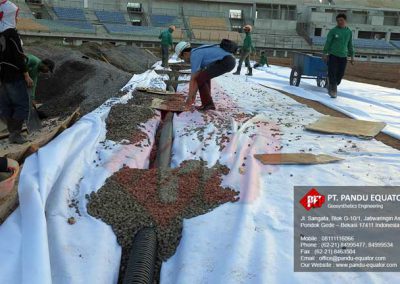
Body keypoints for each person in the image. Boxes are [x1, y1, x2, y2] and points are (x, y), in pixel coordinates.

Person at [0, 0, 33, 144]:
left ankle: (12, 132)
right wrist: (26, 75)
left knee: (6, 104)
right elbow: (18, 56)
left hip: (2, 76)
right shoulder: (11, 33)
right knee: (21, 104)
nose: (17, 18)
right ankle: (15, 134)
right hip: (14, 74)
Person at [175, 41, 236, 111]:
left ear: (185, 54)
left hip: (227, 61)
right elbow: (198, 76)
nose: (184, 60)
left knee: (200, 78)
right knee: (203, 77)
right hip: (229, 60)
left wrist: (190, 97)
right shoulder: (198, 51)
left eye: (182, 58)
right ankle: (207, 102)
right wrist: (193, 95)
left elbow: (193, 79)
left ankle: (208, 104)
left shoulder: (194, 55)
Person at [323, 13, 355, 98]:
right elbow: (328, 42)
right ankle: (333, 89)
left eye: (341, 20)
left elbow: (350, 44)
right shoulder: (333, 31)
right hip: (333, 54)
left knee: (340, 74)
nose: (339, 22)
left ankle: (333, 84)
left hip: (343, 56)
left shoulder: (349, 32)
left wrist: (352, 56)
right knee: (332, 72)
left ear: (345, 21)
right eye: (338, 21)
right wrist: (325, 53)